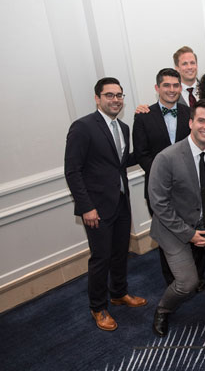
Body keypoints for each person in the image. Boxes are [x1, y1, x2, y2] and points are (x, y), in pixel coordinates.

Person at [149, 99, 205, 337]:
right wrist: (189, 235)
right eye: (201, 120)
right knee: (187, 283)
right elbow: (159, 203)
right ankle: (163, 309)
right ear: (190, 122)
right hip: (173, 228)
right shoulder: (166, 157)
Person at [64, 77, 147, 331]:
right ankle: (98, 307)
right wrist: (86, 207)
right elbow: (73, 171)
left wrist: (148, 138)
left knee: (120, 252)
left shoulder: (123, 127)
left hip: (120, 202)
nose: (115, 100)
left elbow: (119, 162)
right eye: (109, 95)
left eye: (119, 95)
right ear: (97, 98)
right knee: (101, 258)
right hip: (96, 208)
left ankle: (119, 293)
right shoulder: (83, 127)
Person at [133, 68, 205, 291]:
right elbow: (141, 154)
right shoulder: (143, 116)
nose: (172, 89)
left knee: (195, 230)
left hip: (191, 186)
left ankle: (198, 277)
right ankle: (173, 281)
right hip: (159, 189)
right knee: (168, 237)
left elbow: (200, 146)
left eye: (176, 85)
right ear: (157, 88)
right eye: (166, 85)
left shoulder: (190, 113)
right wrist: (165, 176)